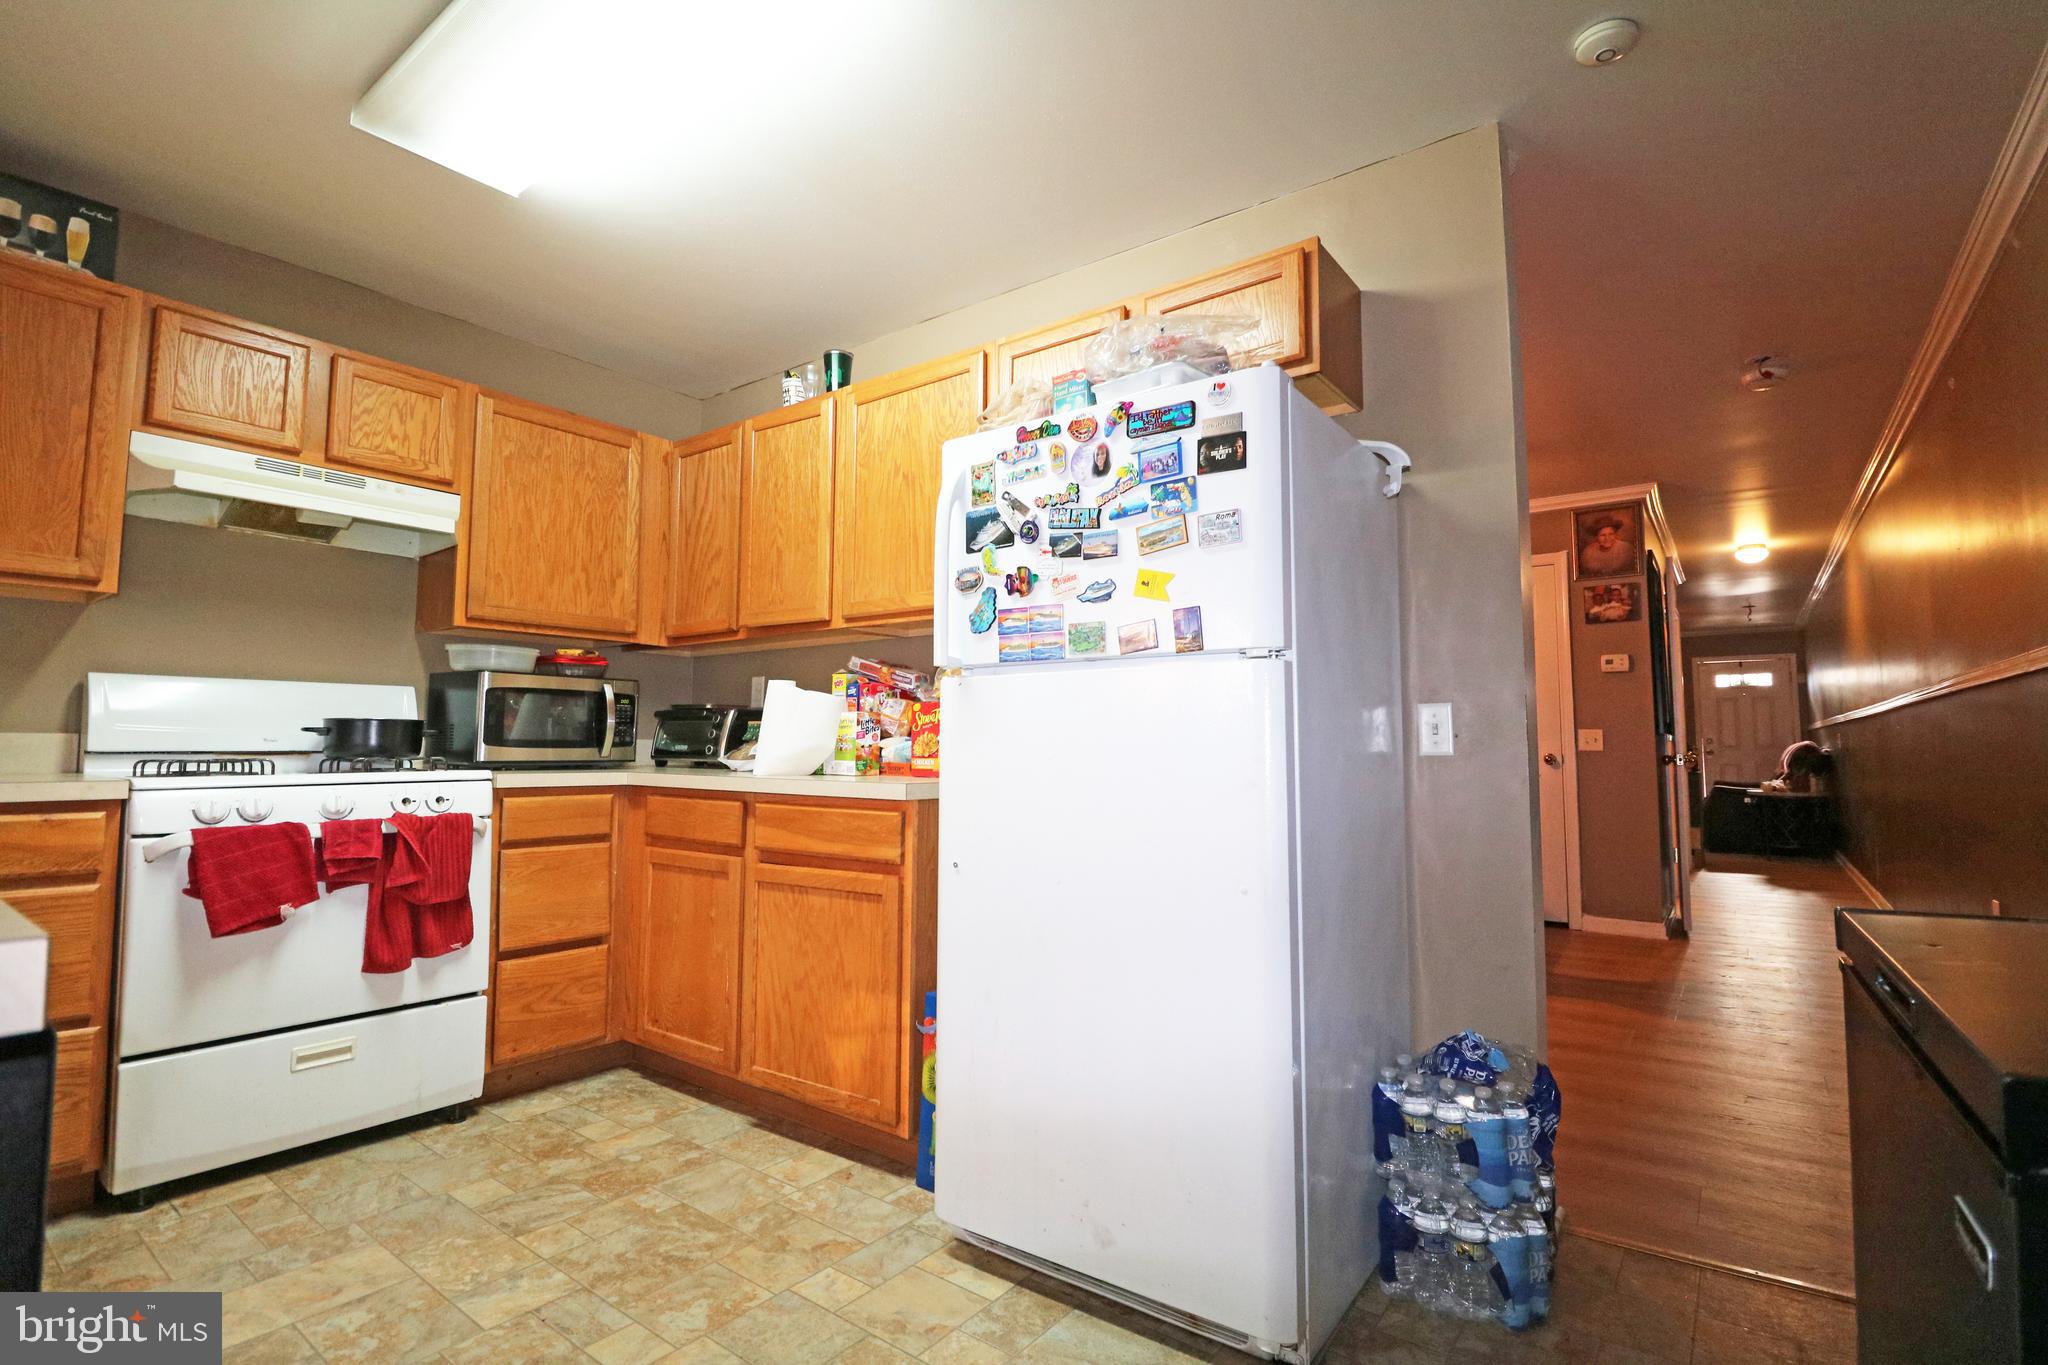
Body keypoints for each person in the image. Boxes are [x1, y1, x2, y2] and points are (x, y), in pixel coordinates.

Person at [1763, 741, 1832, 794]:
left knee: (1799, 780)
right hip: (1805, 750)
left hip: (1805, 752)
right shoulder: (1786, 767)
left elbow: (1787, 776)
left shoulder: (1791, 767)